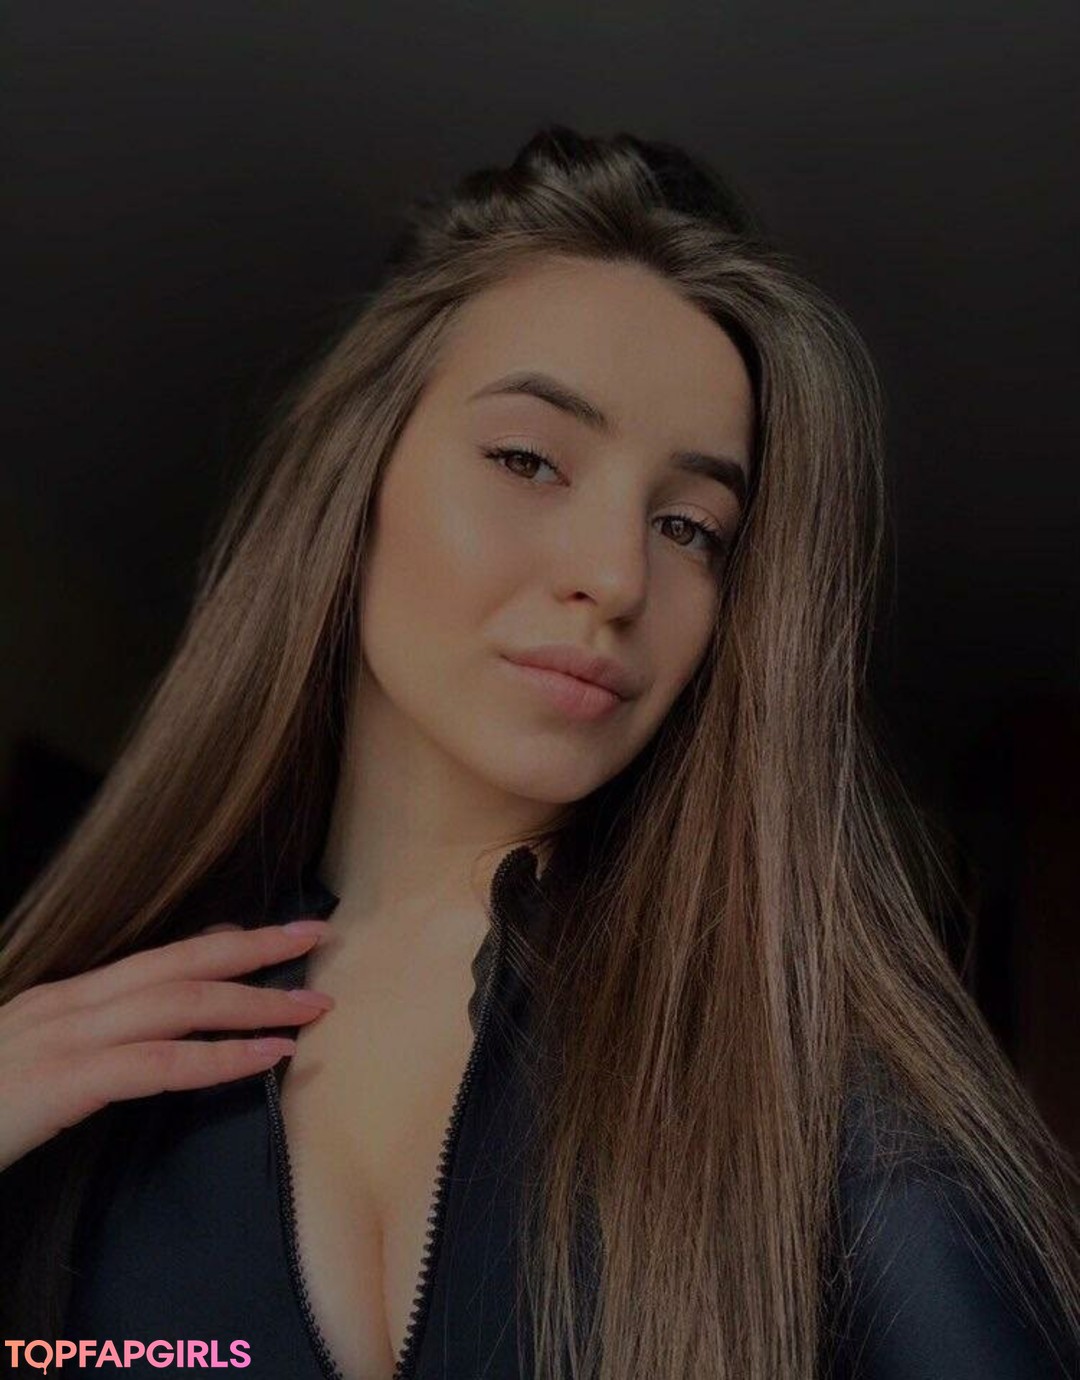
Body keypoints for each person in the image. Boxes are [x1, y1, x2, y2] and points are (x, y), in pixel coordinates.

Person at [1, 124, 1077, 1379]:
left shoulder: (813, 1071)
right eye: (527, 458)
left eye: (691, 527)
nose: (615, 576)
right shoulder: (85, 1044)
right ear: (355, 479)